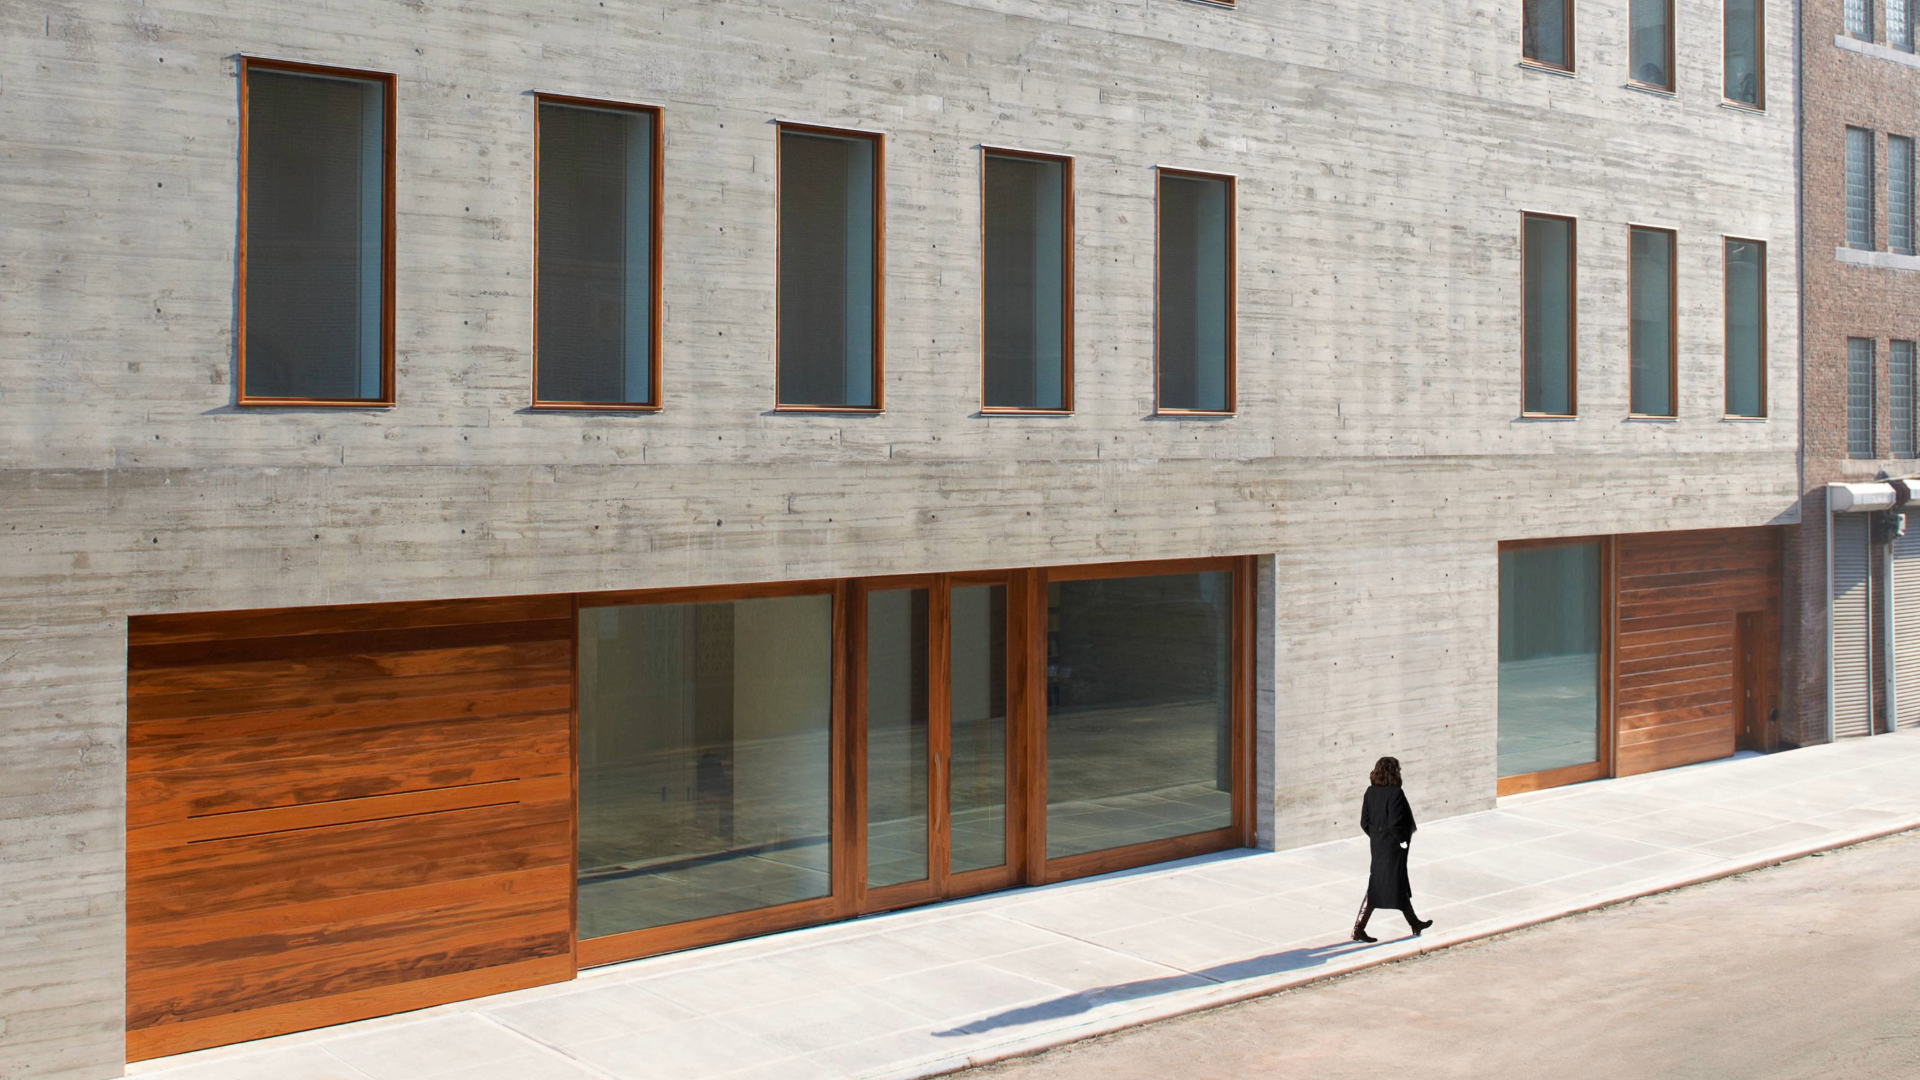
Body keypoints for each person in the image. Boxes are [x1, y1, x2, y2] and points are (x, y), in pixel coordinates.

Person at [1352, 755, 1433, 943]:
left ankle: (1414, 923)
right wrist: (1402, 841)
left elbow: (1364, 822)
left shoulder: (1370, 791)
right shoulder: (1396, 792)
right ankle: (1358, 930)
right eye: (1398, 769)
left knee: (1391, 882)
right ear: (1393, 771)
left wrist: (1376, 837)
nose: (1400, 771)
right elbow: (1396, 822)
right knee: (1382, 884)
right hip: (1393, 845)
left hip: (1378, 844)